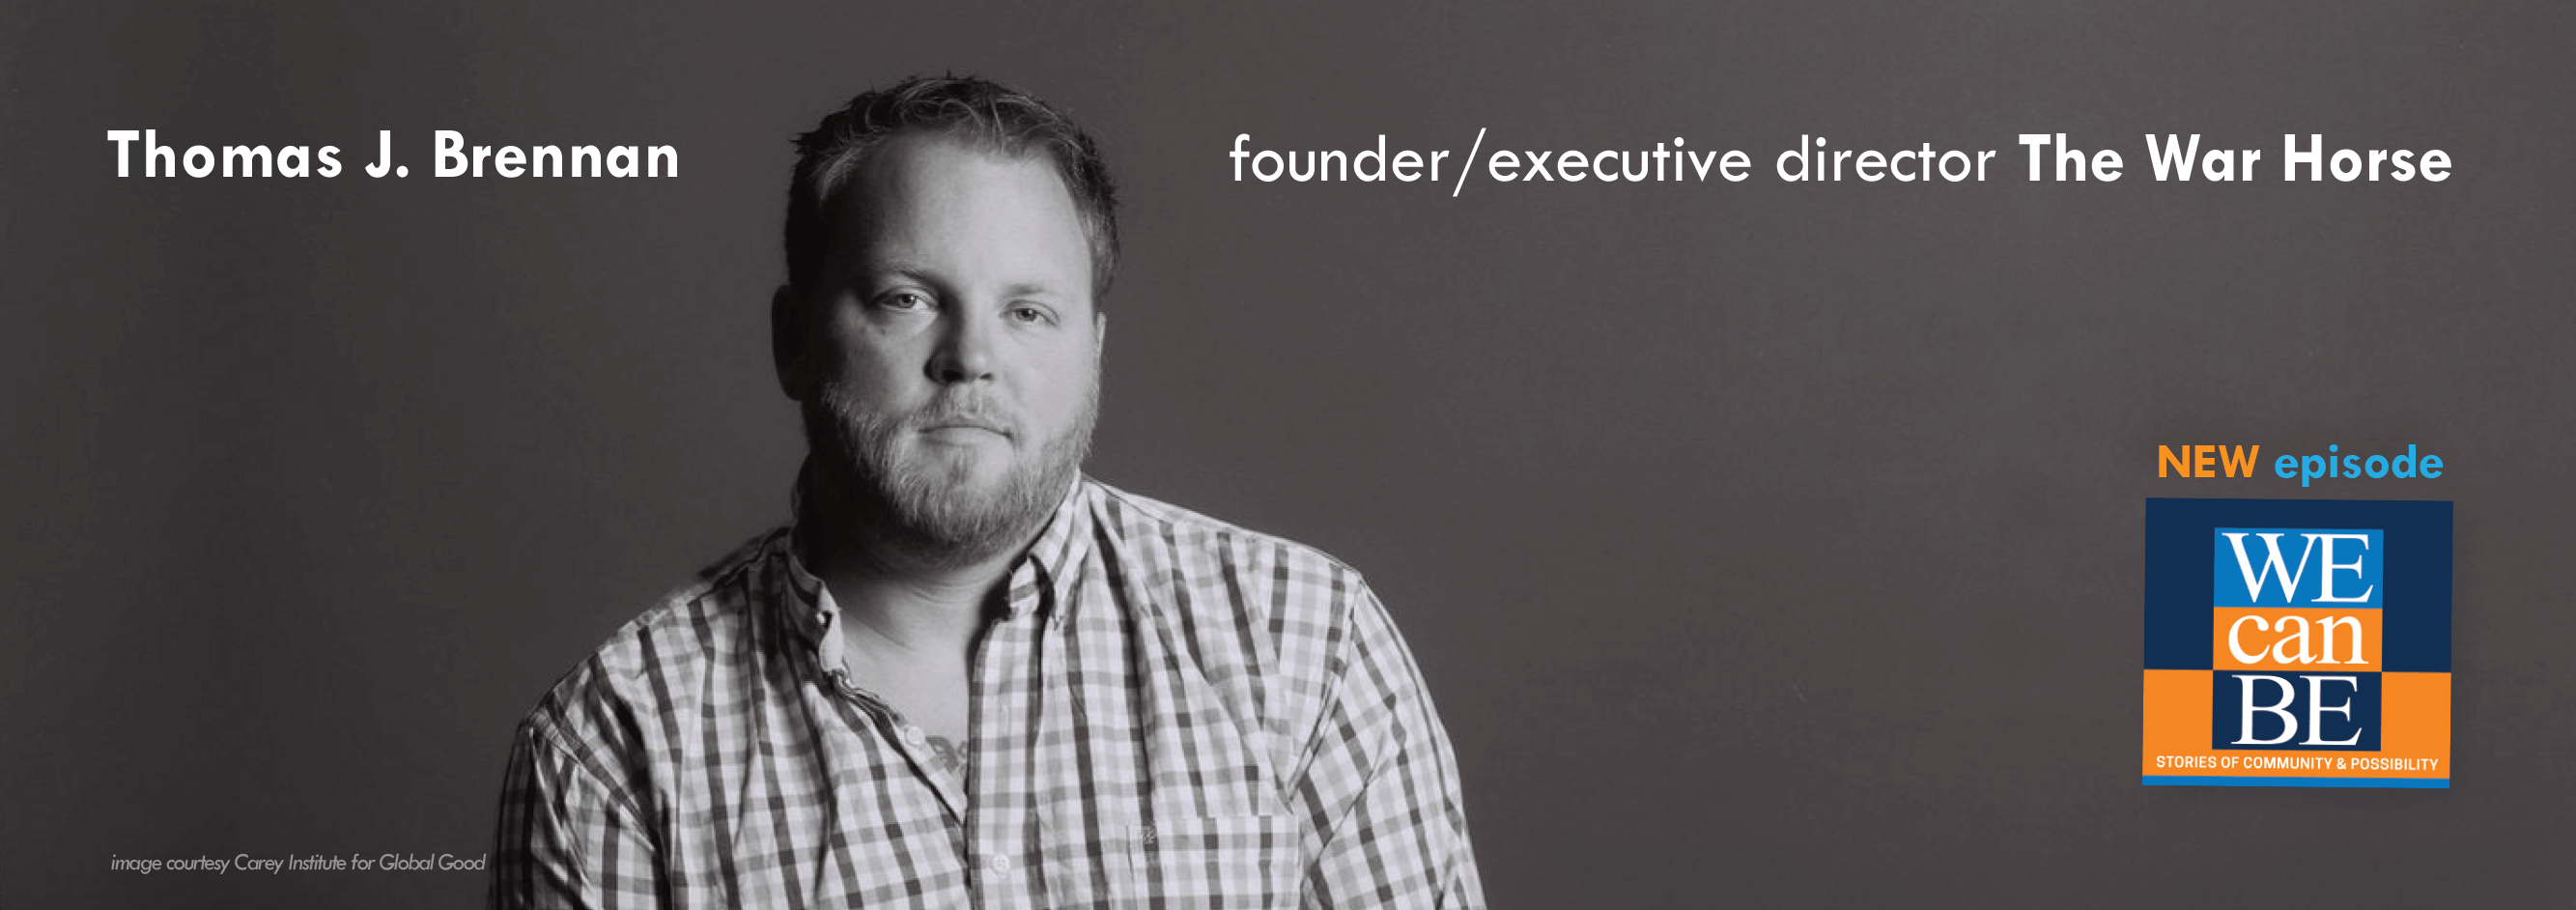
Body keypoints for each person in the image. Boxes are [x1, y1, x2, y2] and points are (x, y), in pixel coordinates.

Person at [488, 75, 1485, 910]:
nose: (971, 359)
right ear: (795, 339)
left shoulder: (1305, 643)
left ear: (1092, 352)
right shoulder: (614, 743)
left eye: (1029, 311)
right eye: (906, 298)